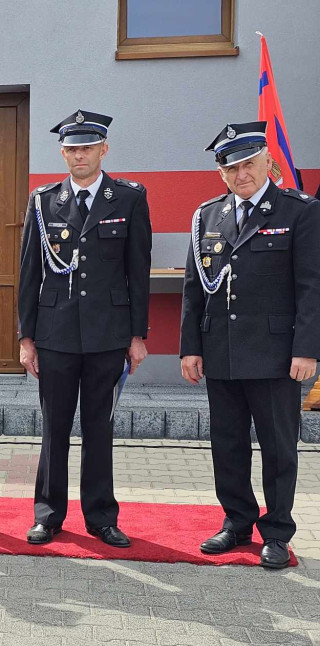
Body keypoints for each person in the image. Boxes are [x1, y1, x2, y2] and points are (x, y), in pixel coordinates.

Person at [180, 121, 320, 569]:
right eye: (231, 168)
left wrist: (307, 349)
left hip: (277, 354)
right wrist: (190, 348)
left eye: (248, 164)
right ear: (220, 173)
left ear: (267, 162)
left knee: (279, 447)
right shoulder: (208, 216)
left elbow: (311, 287)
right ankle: (237, 522)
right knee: (228, 443)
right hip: (221, 351)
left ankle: (277, 532)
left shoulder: (299, 210)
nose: (241, 174)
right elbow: (193, 288)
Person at [17, 110, 152, 548]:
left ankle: (101, 517)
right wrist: (26, 337)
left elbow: (138, 271)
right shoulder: (43, 201)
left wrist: (137, 336)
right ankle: (48, 515)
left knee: (100, 427)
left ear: (103, 149)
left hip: (108, 334)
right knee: (54, 427)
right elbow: (28, 273)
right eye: (72, 149)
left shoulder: (129, 198)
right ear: (63, 152)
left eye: (87, 148)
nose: (79, 155)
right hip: (55, 333)